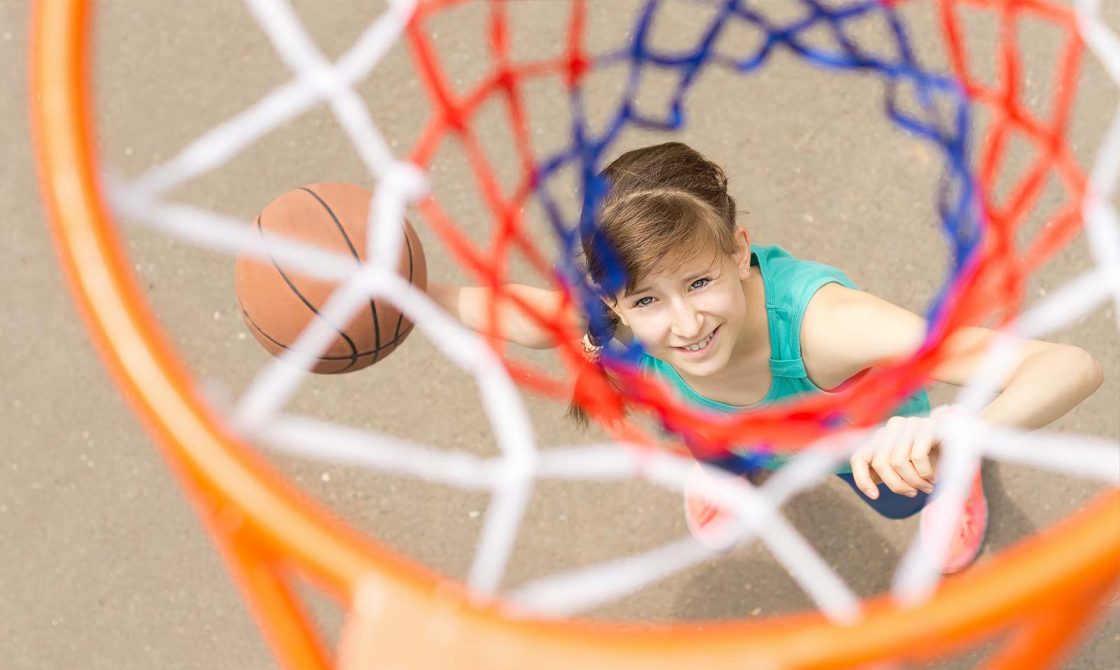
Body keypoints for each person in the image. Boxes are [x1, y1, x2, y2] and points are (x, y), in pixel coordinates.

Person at [426, 142, 1103, 573]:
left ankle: (959, 477)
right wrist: (406, 288)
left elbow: (1069, 364)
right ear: (612, 298)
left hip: (861, 443)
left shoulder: (825, 326)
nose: (686, 325)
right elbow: (508, 311)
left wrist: (959, 430)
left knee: (906, 491)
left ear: (739, 250)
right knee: (710, 440)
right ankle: (727, 473)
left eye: (699, 283)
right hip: (727, 429)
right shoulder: (613, 313)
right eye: (648, 302)